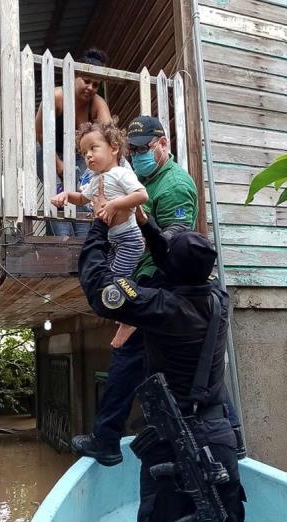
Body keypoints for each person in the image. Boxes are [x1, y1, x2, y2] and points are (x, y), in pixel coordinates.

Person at [77, 207, 248, 522]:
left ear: (171, 269)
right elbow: (176, 268)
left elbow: (99, 285)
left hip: (173, 443)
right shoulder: (219, 298)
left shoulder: (163, 308)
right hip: (218, 441)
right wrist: (145, 225)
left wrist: (99, 227)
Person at [71, 115, 201, 466]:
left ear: (164, 145)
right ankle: (124, 438)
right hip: (146, 280)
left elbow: (172, 249)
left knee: (129, 357)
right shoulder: (139, 177)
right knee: (145, 363)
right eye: (136, 149)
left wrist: (138, 308)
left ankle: (108, 440)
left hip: (160, 284)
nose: (140, 155)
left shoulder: (173, 186)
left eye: (146, 148)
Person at [51, 119, 147, 346]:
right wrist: (66, 196)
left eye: (94, 148)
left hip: (129, 240)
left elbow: (142, 196)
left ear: (114, 148)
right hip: (114, 240)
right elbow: (83, 198)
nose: (88, 156)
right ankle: (125, 317)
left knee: (114, 281)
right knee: (108, 280)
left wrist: (115, 205)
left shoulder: (121, 173)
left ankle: (129, 321)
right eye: (84, 152)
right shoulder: (94, 180)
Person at [35, 48, 111, 236]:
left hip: (79, 156)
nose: (91, 88)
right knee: (59, 196)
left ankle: (83, 242)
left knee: (83, 196)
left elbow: (109, 134)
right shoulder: (57, 96)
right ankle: (63, 239)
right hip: (47, 151)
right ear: (75, 76)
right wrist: (58, 164)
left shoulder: (96, 102)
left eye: (96, 84)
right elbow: (40, 134)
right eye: (86, 81)